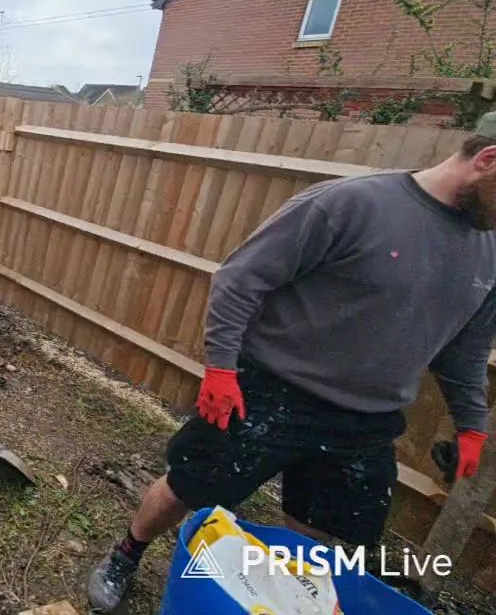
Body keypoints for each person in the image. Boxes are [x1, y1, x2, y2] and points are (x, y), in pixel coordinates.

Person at [87, 112, 496, 613]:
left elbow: (467, 348)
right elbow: (241, 280)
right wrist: (221, 368)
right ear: (487, 160)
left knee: (319, 530)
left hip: (367, 419)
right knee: (188, 487)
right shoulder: (350, 205)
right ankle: (127, 554)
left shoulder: (490, 251)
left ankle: (278, 597)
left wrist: (471, 425)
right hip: (271, 393)